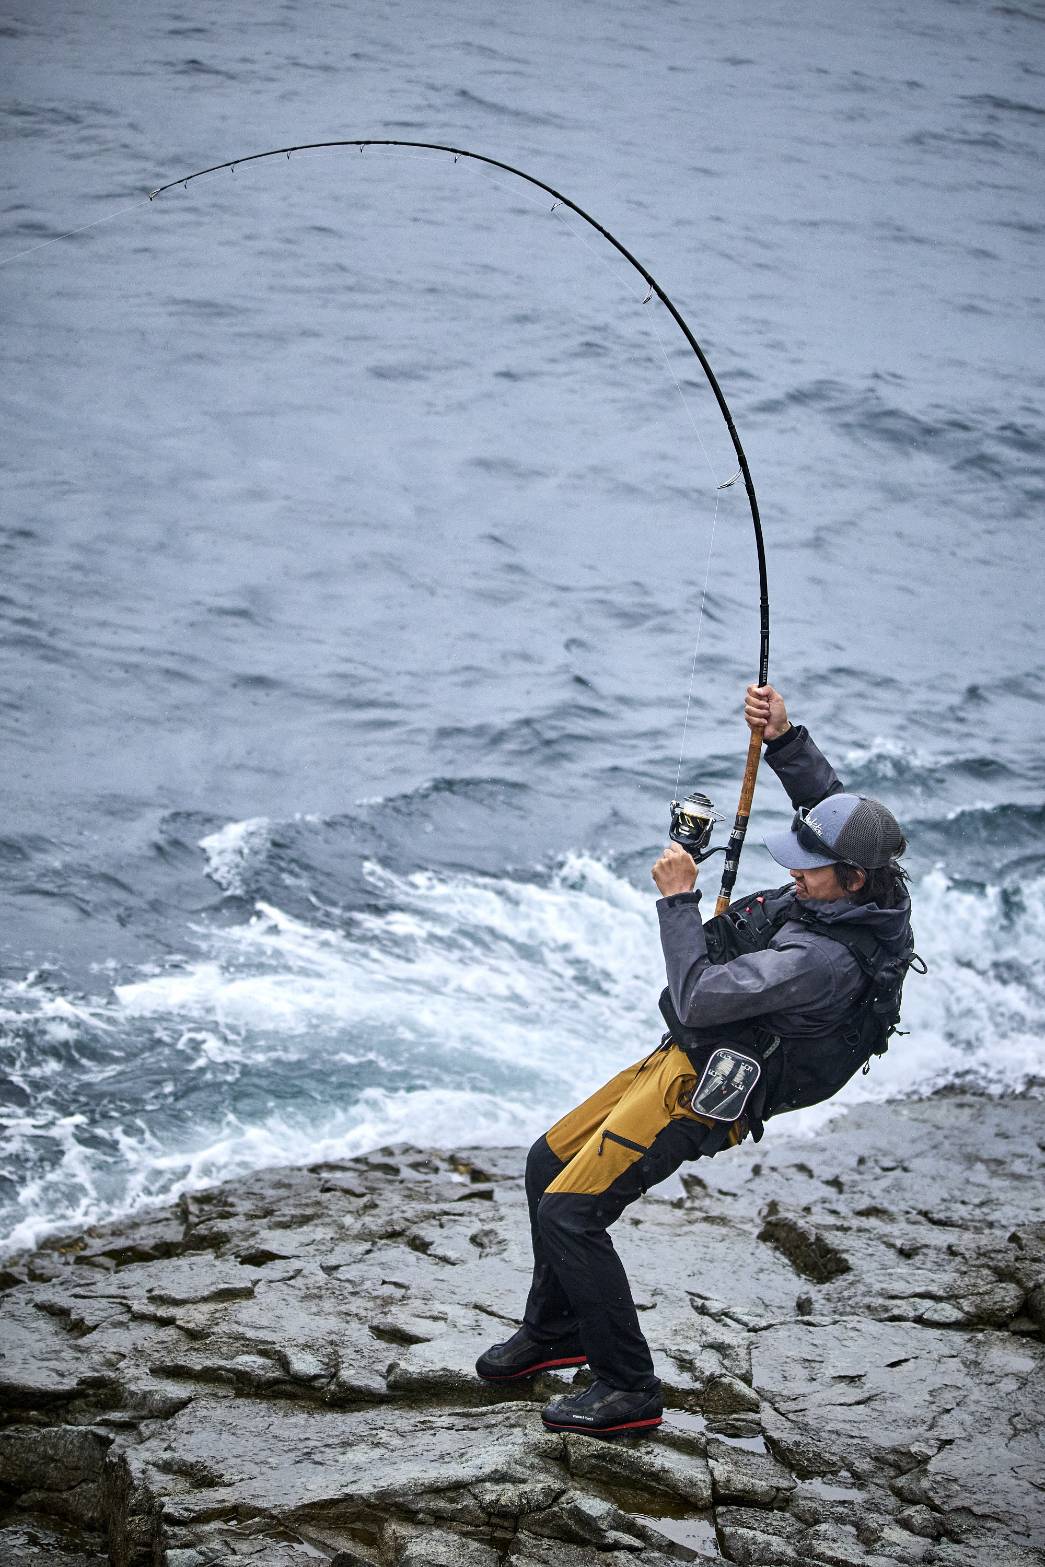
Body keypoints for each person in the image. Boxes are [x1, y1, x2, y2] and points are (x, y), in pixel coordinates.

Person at [474, 682, 914, 1436]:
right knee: (546, 1162)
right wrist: (783, 738)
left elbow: (700, 996)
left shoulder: (821, 958)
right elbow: (836, 806)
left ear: (853, 878)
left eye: (811, 864)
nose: (796, 870)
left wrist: (678, 898)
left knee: (573, 1212)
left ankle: (627, 1387)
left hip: (706, 1085)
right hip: (687, 1050)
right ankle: (553, 1332)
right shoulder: (865, 886)